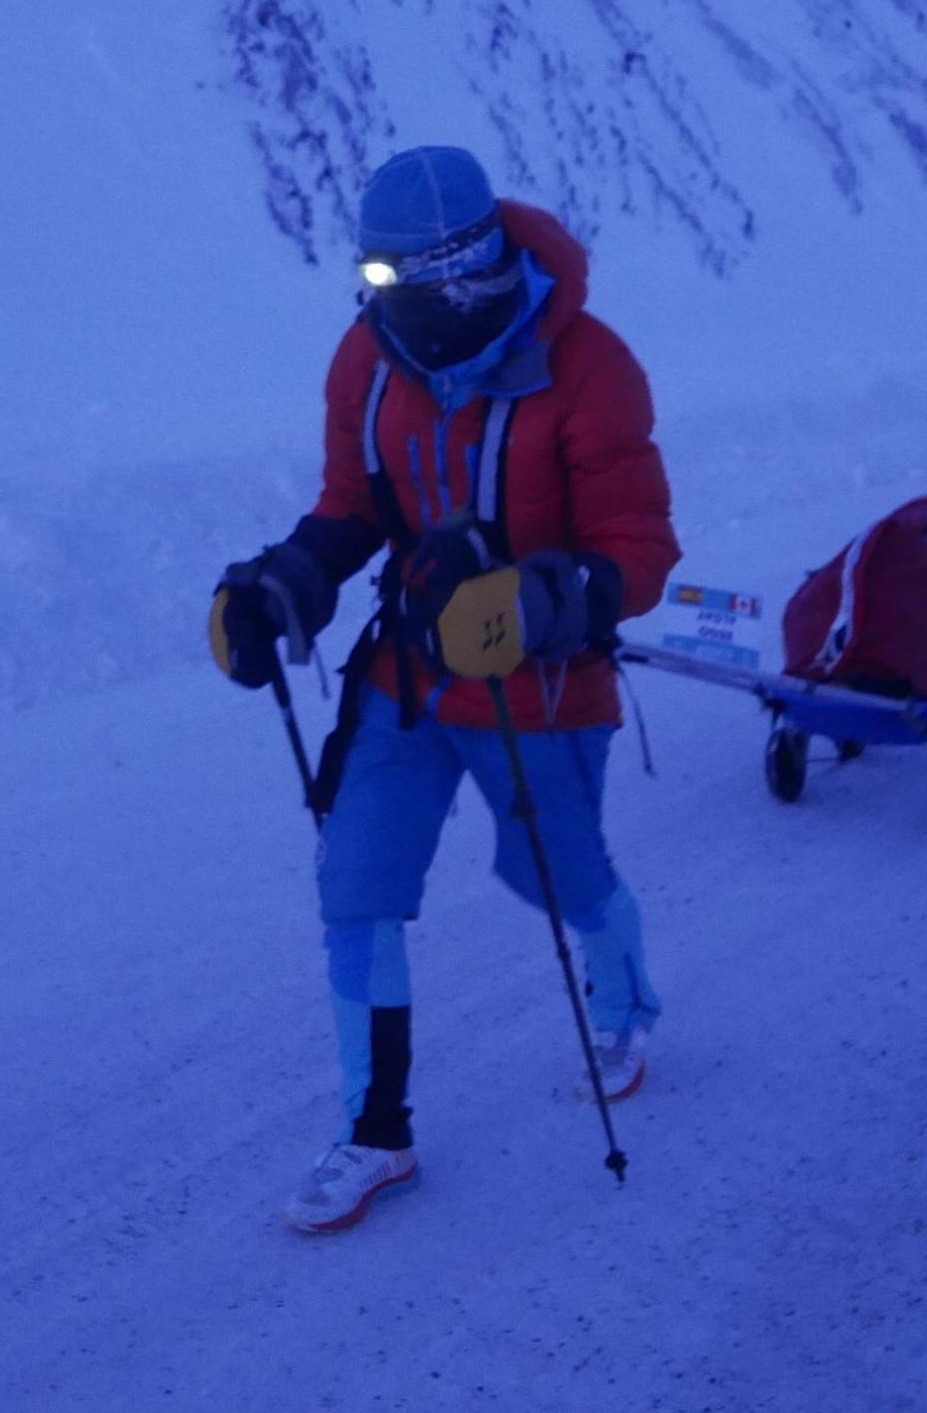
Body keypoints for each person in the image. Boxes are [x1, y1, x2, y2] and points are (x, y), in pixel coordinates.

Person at [210, 145, 681, 1233]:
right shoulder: (367, 358)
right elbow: (352, 504)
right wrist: (290, 578)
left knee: (558, 875)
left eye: (415, 277)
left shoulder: (589, 365)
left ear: (473, 265)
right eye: (378, 277)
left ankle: (623, 1004)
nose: (396, 301)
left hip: (539, 685)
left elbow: (638, 546)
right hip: (409, 671)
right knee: (356, 885)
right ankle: (376, 1132)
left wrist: (538, 601)